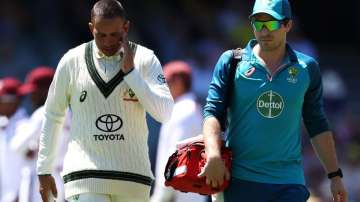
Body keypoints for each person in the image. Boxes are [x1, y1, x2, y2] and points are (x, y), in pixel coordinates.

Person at [199, 0, 348, 202]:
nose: (264, 31)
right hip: (239, 180)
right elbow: (213, 113)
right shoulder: (232, 61)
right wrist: (214, 155)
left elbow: (317, 123)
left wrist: (334, 175)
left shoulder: (307, 67)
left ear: (288, 25)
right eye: (258, 24)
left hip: (288, 182)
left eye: (271, 24)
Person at [36, 0, 174, 201]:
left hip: (133, 178)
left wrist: (132, 74)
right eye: (101, 35)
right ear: (91, 28)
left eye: (115, 34)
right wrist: (44, 169)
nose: (108, 41)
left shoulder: (146, 59)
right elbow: (53, 115)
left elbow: (165, 113)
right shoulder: (71, 61)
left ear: (126, 27)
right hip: (85, 175)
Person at [151, 61, 207, 202]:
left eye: (166, 82)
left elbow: (176, 158)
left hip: (181, 195)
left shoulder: (184, 112)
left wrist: (161, 197)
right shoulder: (186, 109)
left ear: (178, 82)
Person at [10, 67, 69, 202]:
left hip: (41, 181)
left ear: (45, 91)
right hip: (64, 179)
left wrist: (30, 148)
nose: (31, 97)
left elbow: (16, 146)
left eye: (34, 92)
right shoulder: (71, 110)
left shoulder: (43, 113)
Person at [0, 77, 28, 202]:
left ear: (13, 101)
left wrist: (19, 193)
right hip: (6, 195)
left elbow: (27, 167)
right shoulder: (4, 122)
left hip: (20, 195)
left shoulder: (25, 127)